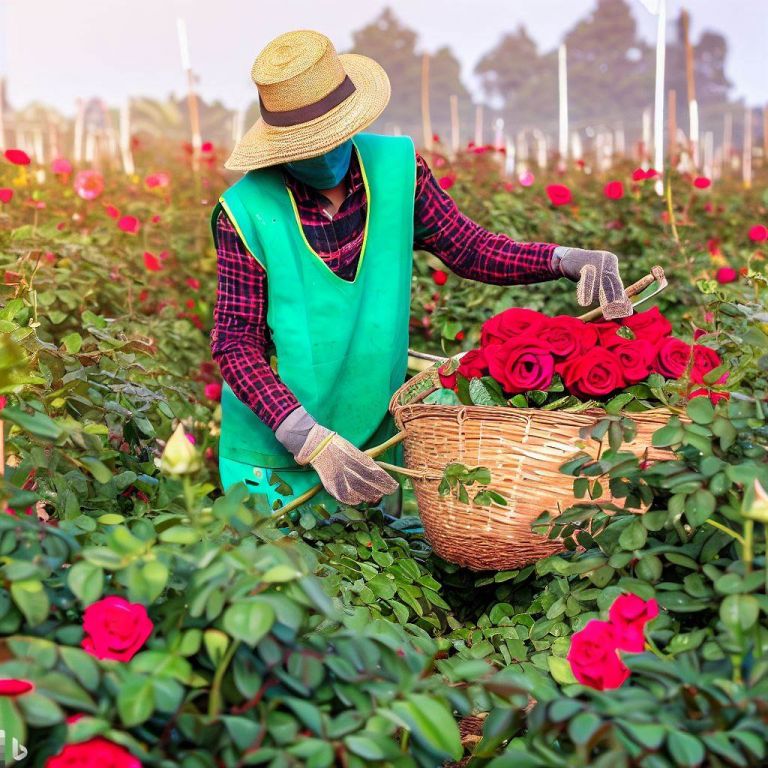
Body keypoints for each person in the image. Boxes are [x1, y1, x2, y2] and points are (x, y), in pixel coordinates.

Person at [210, 30, 632, 513]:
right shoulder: (246, 212)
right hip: (275, 452)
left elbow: (469, 247)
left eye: (333, 136)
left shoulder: (397, 171)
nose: (325, 154)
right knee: (285, 579)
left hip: (370, 440)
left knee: (367, 577)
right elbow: (235, 341)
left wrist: (562, 259)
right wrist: (308, 438)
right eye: (308, 145)